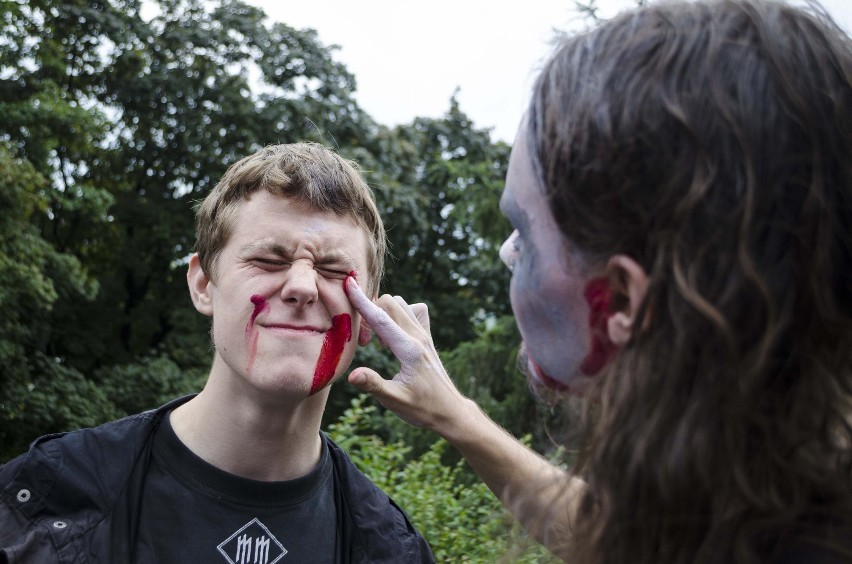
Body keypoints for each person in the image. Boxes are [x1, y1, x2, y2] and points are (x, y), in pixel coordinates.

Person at [343, 0, 852, 562]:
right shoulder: (770, 499)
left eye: (523, 233)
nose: (506, 252)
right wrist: (454, 413)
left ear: (623, 300)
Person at [0, 143, 434, 563]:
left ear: (367, 314)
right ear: (203, 284)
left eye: (335, 270)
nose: (302, 286)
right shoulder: (39, 502)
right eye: (268, 259)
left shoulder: (394, 550)